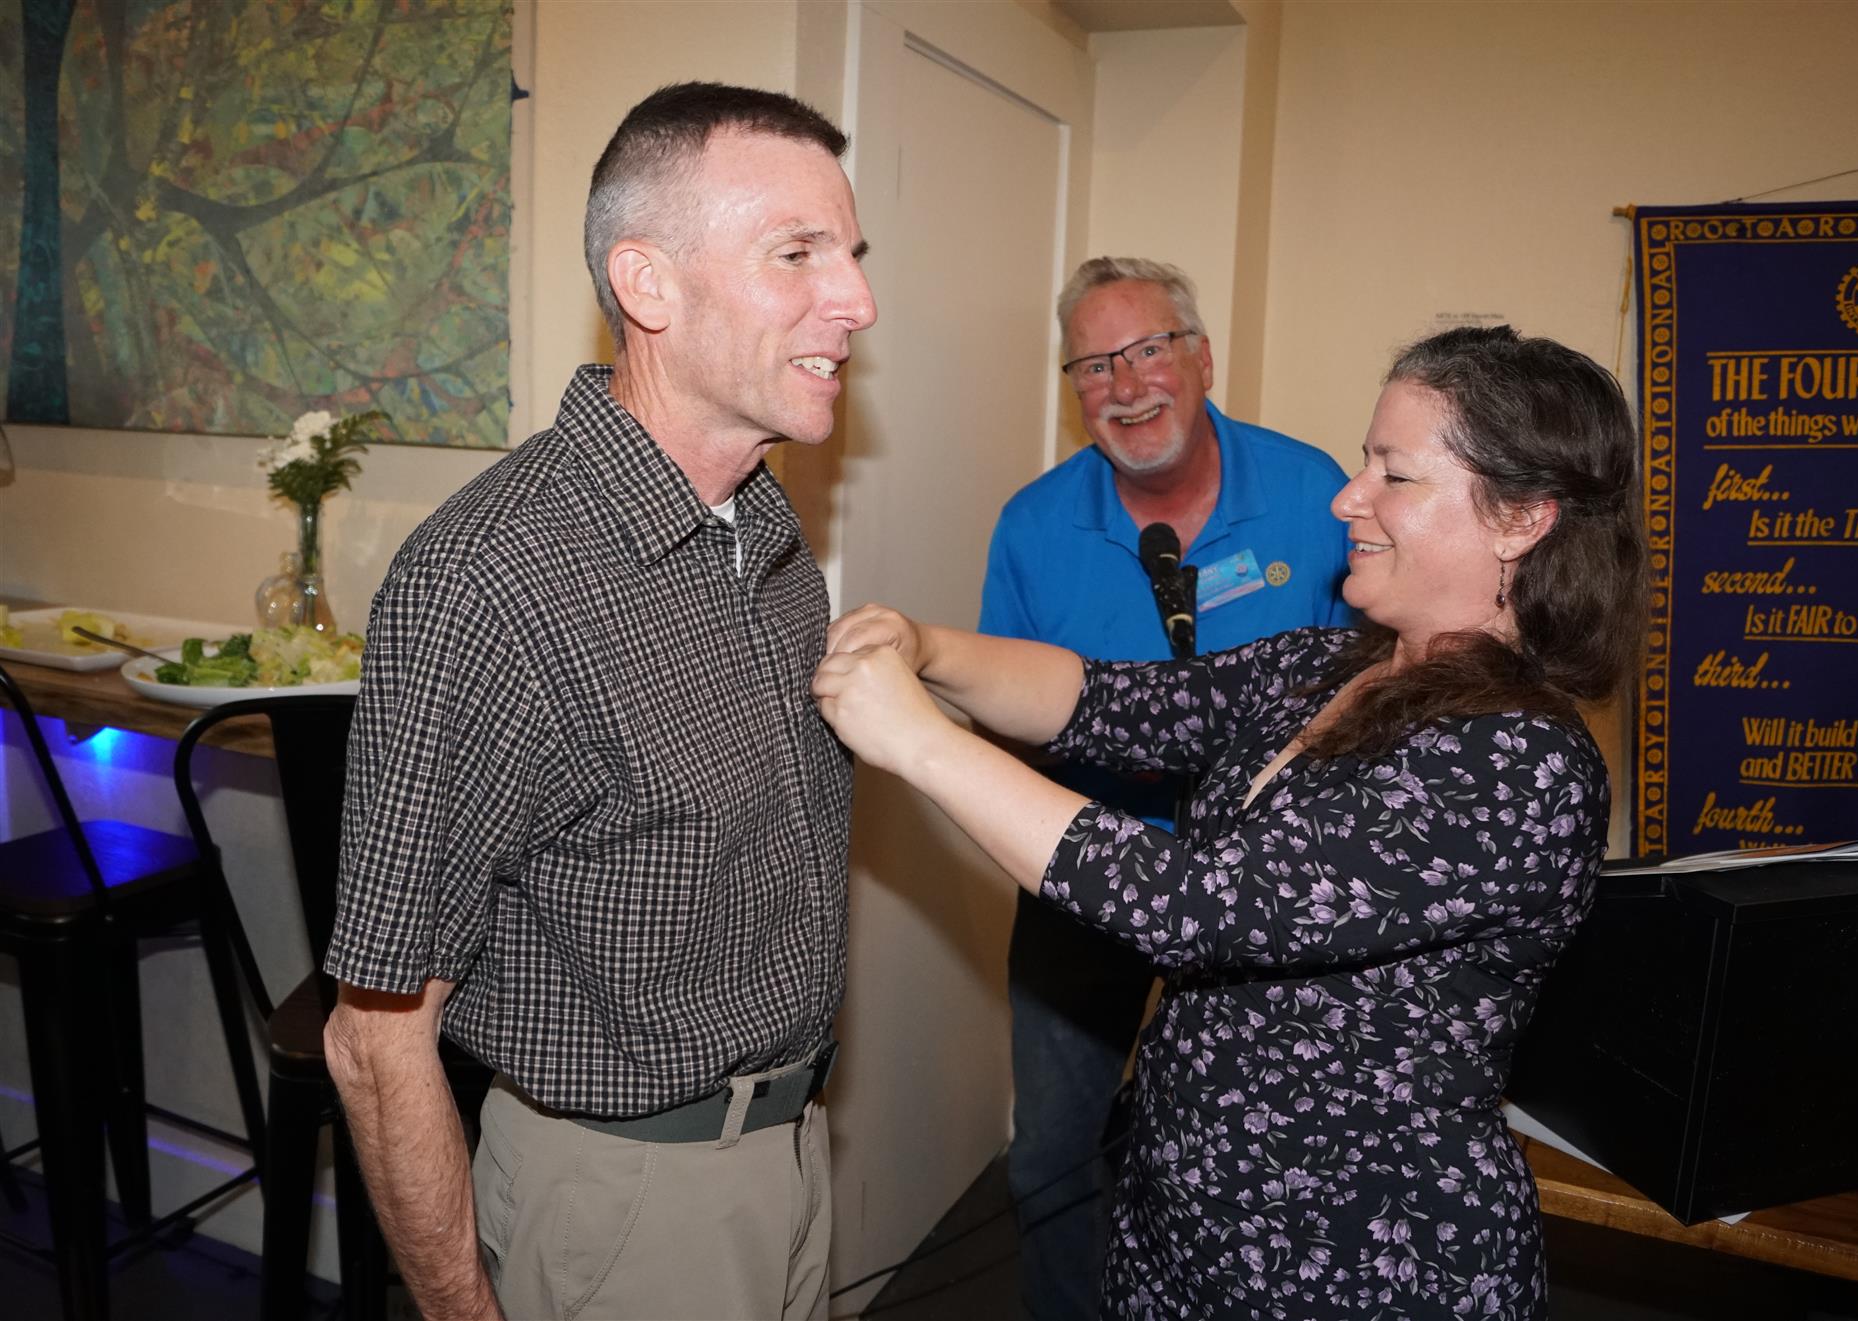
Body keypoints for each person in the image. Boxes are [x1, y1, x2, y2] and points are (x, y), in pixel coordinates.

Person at [815, 325, 1646, 1319]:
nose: (1348, 498)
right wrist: (928, 646)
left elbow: (1196, 907)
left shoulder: (1519, 761)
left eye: (1394, 475)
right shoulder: (1324, 667)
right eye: (1364, 463)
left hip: (1354, 1262)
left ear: (1520, 519)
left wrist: (919, 743)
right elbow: (1104, 699)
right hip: (1185, 1233)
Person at [322, 82, 876, 1321]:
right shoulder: (489, 580)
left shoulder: (764, 524)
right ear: (648, 284)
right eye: (799, 254)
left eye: (851, 254)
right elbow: (375, 1035)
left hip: (795, 1153)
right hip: (627, 1205)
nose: (856, 301)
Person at [984, 256, 1353, 1318]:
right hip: (1088, 880)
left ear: (1202, 358)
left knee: (1254, 1159)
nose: (1127, 383)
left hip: (1268, 890)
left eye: (1149, 349)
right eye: (1095, 364)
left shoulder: (1314, 493)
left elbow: (1366, 697)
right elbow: (1007, 723)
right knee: (1048, 1155)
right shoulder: (1033, 526)